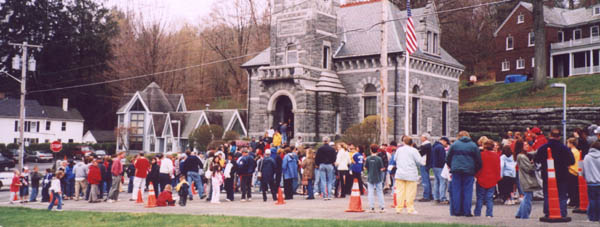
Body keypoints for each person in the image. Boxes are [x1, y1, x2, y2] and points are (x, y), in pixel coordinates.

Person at [534, 128, 575, 219]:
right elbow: (572, 161)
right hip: (562, 174)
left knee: (547, 194)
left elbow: (537, 159)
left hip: (547, 174)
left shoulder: (543, 148)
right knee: (562, 194)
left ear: (550, 135)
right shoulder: (564, 148)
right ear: (559, 137)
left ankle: (548, 212)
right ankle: (562, 212)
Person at [446, 131, 482, 217]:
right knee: (468, 191)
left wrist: (452, 166)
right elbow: (478, 160)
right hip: (469, 171)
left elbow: (448, 158)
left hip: (456, 170)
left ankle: (457, 211)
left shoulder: (454, 145)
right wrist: (475, 170)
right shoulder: (473, 145)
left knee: (456, 191)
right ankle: (467, 211)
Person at [391, 137, 425, 214]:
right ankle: (410, 209)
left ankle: (399, 208)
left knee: (400, 192)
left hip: (400, 174)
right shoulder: (414, 150)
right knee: (410, 193)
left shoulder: (399, 150)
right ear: (412, 143)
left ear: (404, 142)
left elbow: (395, 159)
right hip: (411, 174)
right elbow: (419, 161)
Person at [474, 140, 501, 217]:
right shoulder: (496, 155)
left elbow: (477, 167)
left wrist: (477, 175)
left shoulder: (481, 155)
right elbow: (497, 168)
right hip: (492, 179)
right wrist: (497, 178)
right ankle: (489, 214)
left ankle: (477, 213)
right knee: (489, 198)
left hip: (481, 178)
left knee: (479, 198)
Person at [515, 139, 542, 219]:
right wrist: (535, 165)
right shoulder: (522, 156)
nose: (527, 146)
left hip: (525, 179)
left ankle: (519, 213)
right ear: (521, 147)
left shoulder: (523, 155)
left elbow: (534, 153)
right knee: (528, 198)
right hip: (527, 179)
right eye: (525, 145)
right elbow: (529, 168)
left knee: (526, 197)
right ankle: (525, 215)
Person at [582, 141, 600, 223]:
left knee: (592, 200)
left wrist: (586, 178)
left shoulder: (587, 157)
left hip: (591, 183)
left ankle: (592, 217)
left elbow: (583, 171)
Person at [366, 145, 385, 213]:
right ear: (377, 150)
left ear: (371, 150)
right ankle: (382, 207)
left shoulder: (368, 158)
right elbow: (382, 168)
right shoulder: (379, 159)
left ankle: (372, 207)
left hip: (370, 177)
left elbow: (366, 168)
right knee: (379, 192)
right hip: (378, 177)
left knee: (370, 192)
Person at [432, 137, 450, 204]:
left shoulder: (434, 146)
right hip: (440, 166)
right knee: (443, 182)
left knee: (436, 182)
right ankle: (442, 198)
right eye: (446, 143)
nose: (446, 145)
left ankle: (436, 197)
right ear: (444, 141)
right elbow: (443, 158)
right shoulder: (440, 147)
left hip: (434, 166)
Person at [566, 137, 581, 208]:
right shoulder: (577, 151)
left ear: (571, 144)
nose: (567, 144)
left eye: (568, 143)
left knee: (571, 189)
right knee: (574, 188)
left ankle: (573, 202)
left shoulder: (572, 151)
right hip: (575, 171)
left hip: (571, 170)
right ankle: (575, 202)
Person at [418, 133, 433, 202]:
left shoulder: (425, 145)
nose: (421, 138)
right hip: (426, 163)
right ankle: (429, 194)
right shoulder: (428, 145)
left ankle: (426, 195)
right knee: (427, 180)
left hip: (424, 163)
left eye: (422, 137)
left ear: (425, 138)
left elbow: (420, 153)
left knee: (425, 180)